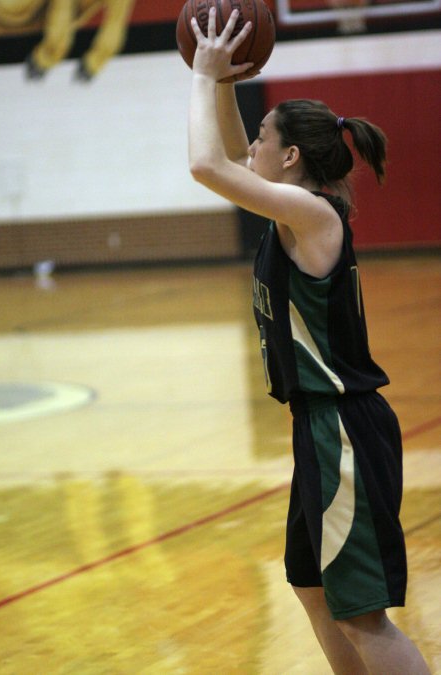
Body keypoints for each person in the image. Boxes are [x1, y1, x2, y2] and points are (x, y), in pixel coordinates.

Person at [186, 7, 431, 674]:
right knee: (311, 586)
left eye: (263, 138)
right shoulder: (295, 207)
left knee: (360, 613)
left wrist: (201, 77)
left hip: (344, 430)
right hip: (320, 426)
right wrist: (226, 84)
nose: (252, 148)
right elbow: (232, 158)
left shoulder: (312, 213)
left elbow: (208, 164)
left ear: (289, 155)